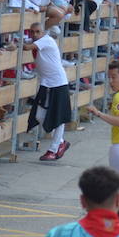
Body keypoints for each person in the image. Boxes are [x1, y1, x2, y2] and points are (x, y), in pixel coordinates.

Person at [26, 21, 73, 162]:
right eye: (32, 32)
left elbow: (28, 47)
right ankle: (60, 142)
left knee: (58, 117)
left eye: (37, 32)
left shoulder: (46, 40)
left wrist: (14, 46)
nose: (34, 35)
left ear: (43, 32)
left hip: (58, 83)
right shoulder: (39, 40)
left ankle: (54, 149)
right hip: (47, 84)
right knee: (40, 115)